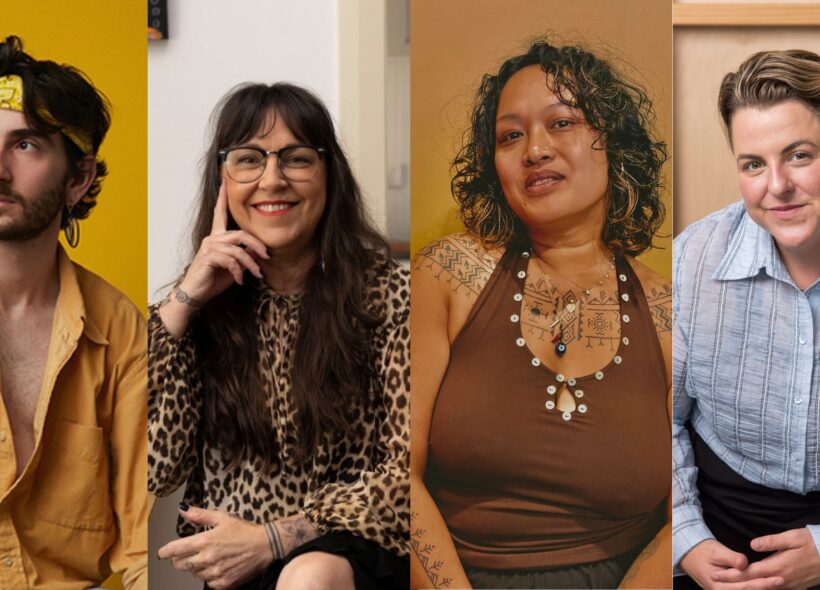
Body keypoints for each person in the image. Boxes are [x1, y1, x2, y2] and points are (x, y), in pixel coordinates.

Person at [411, 38, 672, 589]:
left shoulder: (670, 313)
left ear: (614, 143)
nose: (534, 150)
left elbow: (687, 513)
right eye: (511, 135)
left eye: (562, 124)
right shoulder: (446, 275)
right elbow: (395, 474)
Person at [149, 82, 410, 590]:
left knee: (308, 577)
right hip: (239, 570)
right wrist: (182, 304)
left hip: (360, 551)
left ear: (328, 174)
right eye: (249, 159)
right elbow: (155, 468)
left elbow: (412, 474)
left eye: (295, 159)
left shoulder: (391, 294)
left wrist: (275, 537)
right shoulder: (198, 306)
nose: (272, 180)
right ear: (221, 180)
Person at [0, 36, 148, 589]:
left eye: (26, 146)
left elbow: (141, 545)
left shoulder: (118, 328)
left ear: (78, 178)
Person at [673, 50, 820, 590]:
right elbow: (655, 420)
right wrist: (687, 540)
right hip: (719, 536)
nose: (775, 186)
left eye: (800, 155)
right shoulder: (690, 262)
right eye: (753, 164)